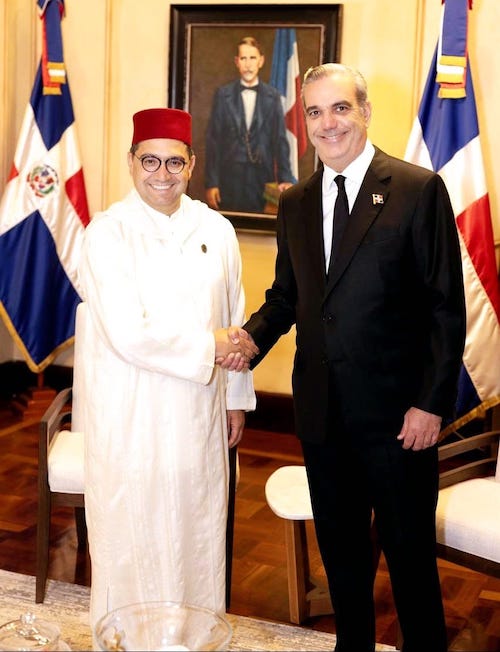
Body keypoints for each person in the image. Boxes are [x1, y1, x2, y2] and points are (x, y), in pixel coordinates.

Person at [237, 64, 466, 651]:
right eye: (314, 112)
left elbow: (445, 308)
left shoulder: (416, 189)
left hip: (400, 421)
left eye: (340, 108)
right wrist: (248, 341)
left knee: (410, 562)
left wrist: (430, 404)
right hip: (322, 414)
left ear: (364, 111)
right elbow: (287, 296)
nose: (328, 123)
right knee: (341, 558)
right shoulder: (295, 201)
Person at [74, 107, 258, 633]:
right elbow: (127, 332)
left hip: (200, 410)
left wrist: (235, 399)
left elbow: (235, 316)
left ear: (192, 164)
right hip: (131, 410)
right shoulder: (108, 233)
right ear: (131, 161)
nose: (162, 173)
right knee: (133, 530)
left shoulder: (216, 229)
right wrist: (210, 345)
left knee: (197, 527)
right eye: (150, 160)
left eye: (174, 162)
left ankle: (194, 636)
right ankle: (127, 638)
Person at [205, 36, 295, 214]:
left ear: (261, 61)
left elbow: (280, 140)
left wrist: (285, 178)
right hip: (229, 178)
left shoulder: (273, 96)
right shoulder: (223, 95)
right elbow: (213, 141)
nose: (248, 64)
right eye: (243, 58)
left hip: (262, 178)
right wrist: (212, 183)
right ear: (236, 62)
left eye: (252, 58)